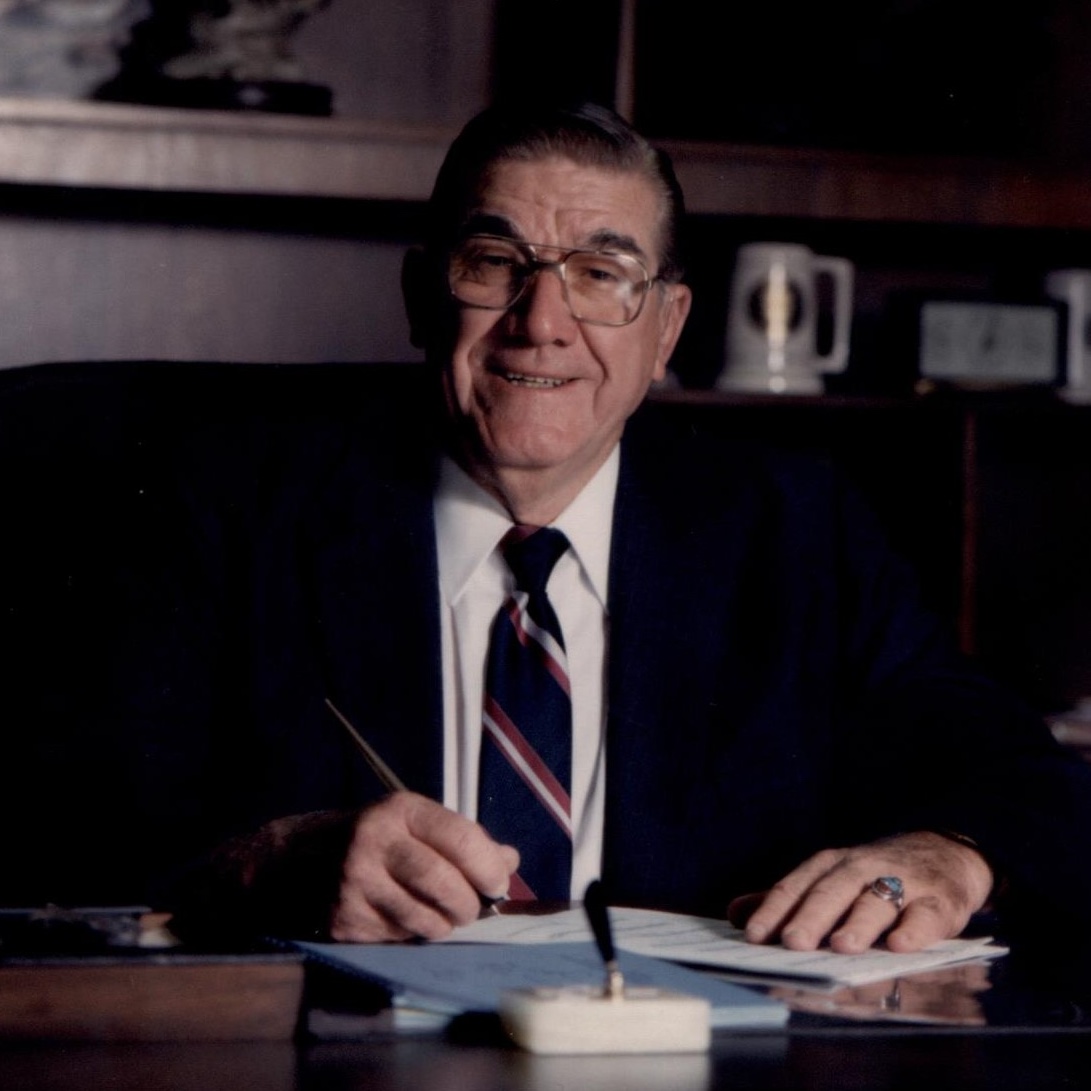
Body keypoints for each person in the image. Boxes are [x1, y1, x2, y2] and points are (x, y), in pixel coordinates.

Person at [17, 100, 1089, 953]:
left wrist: (953, 854)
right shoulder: (227, 507)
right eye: (494, 264)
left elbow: (1028, 778)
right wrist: (266, 864)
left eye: (600, 275)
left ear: (665, 327)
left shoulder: (791, 531)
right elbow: (59, 826)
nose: (541, 322)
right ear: (419, 294)